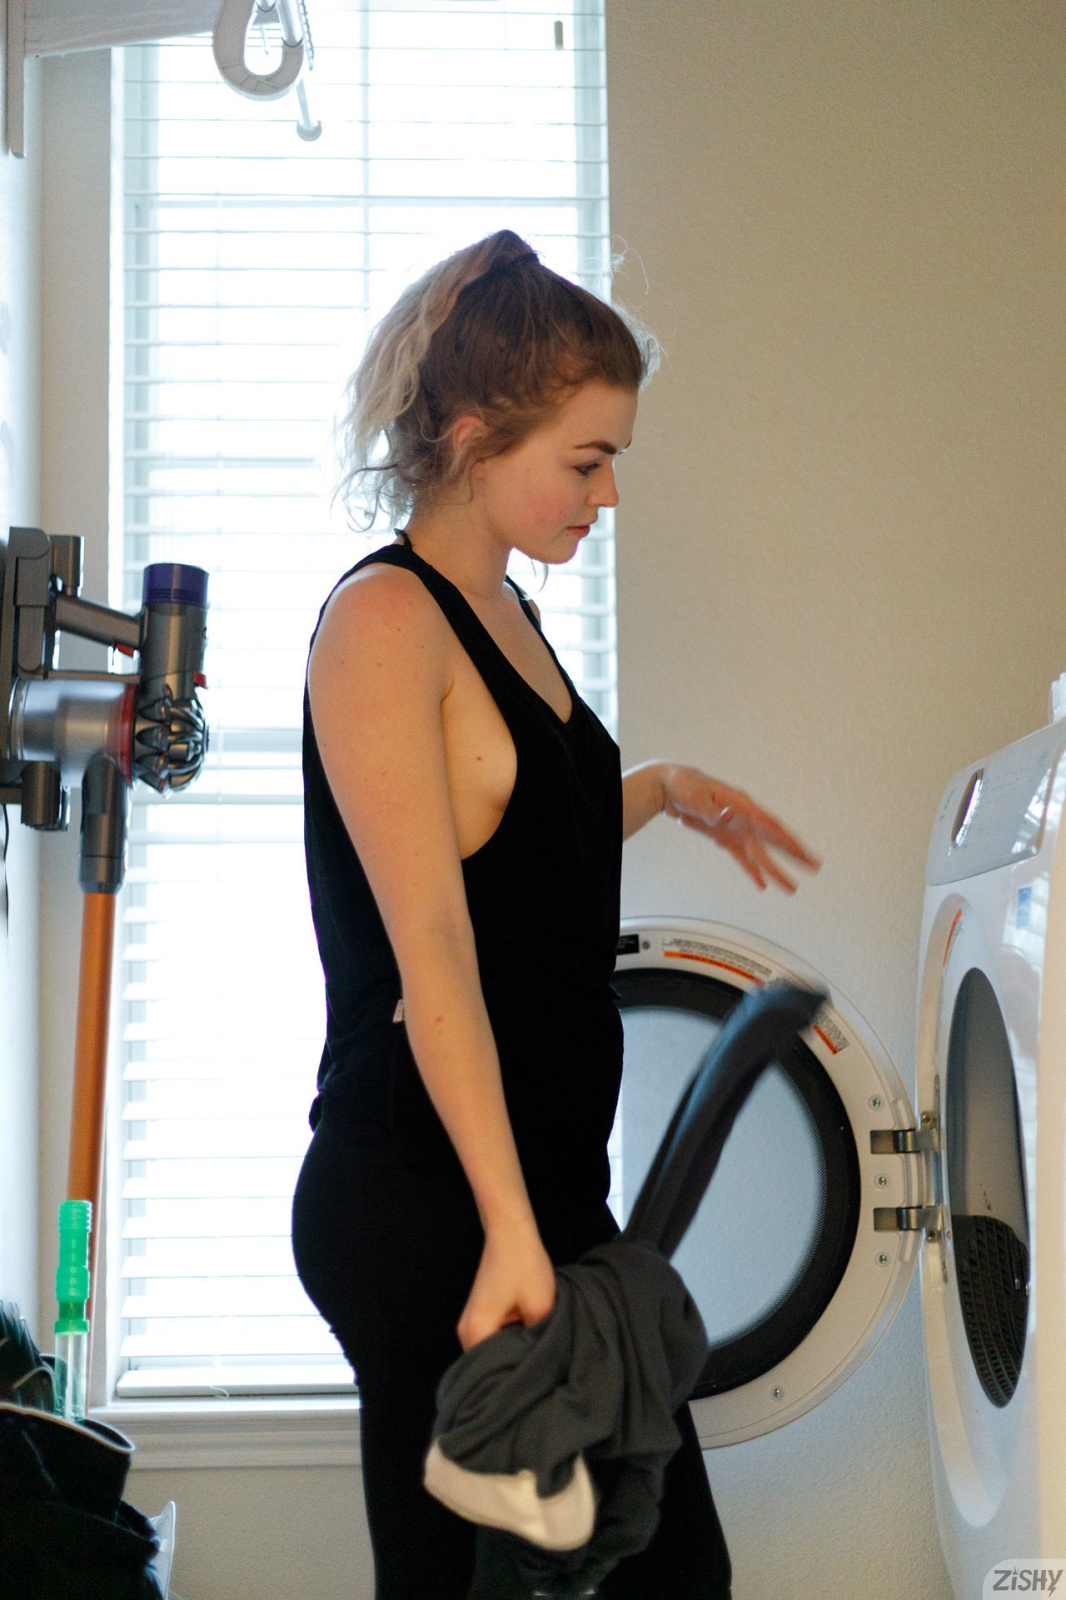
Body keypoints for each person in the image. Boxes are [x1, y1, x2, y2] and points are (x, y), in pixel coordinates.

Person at [291, 230, 820, 1600]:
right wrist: (510, 1229)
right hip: (432, 1199)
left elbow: (513, 846)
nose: (609, 494)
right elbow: (435, 953)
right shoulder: (385, 624)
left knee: (661, 1569)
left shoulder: (504, 611)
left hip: (536, 1191)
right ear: (475, 437)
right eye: (587, 462)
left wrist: (659, 789)